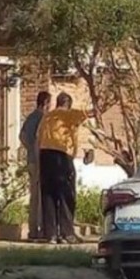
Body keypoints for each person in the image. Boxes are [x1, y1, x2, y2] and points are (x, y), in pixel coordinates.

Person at [36, 92, 93, 244]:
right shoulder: (70, 114)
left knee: (48, 195)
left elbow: (38, 138)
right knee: (66, 194)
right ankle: (67, 233)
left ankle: (51, 235)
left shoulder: (47, 117)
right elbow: (91, 113)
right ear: (69, 104)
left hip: (44, 155)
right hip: (61, 156)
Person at [19, 91, 51, 241]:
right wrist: (35, 150)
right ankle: (39, 228)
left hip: (32, 160)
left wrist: (30, 149)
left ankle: (33, 229)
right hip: (39, 161)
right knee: (41, 196)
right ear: (45, 103)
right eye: (49, 103)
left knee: (34, 196)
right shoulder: (42, 118)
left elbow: (22, 136)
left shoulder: (31, 117)